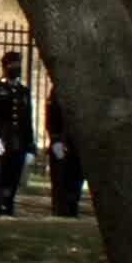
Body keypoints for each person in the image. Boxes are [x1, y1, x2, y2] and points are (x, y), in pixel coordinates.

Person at [0, 50, 36, 217]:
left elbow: (27, 120)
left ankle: (8, 205)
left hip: (18, 142)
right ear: (6, 66)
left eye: (18, 64)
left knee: (13, 176)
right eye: (13, 64)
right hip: (0, 140)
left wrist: (30, 146)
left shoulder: (23, 91)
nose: (17, 67)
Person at [46, 88, 85, 218]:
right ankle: (61, 209)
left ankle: (73, 207)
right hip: (62, 140)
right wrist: (55, 138)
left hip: (78, 141)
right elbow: (51, 117)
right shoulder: (58, 91)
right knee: (61, 177)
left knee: (76, 176)